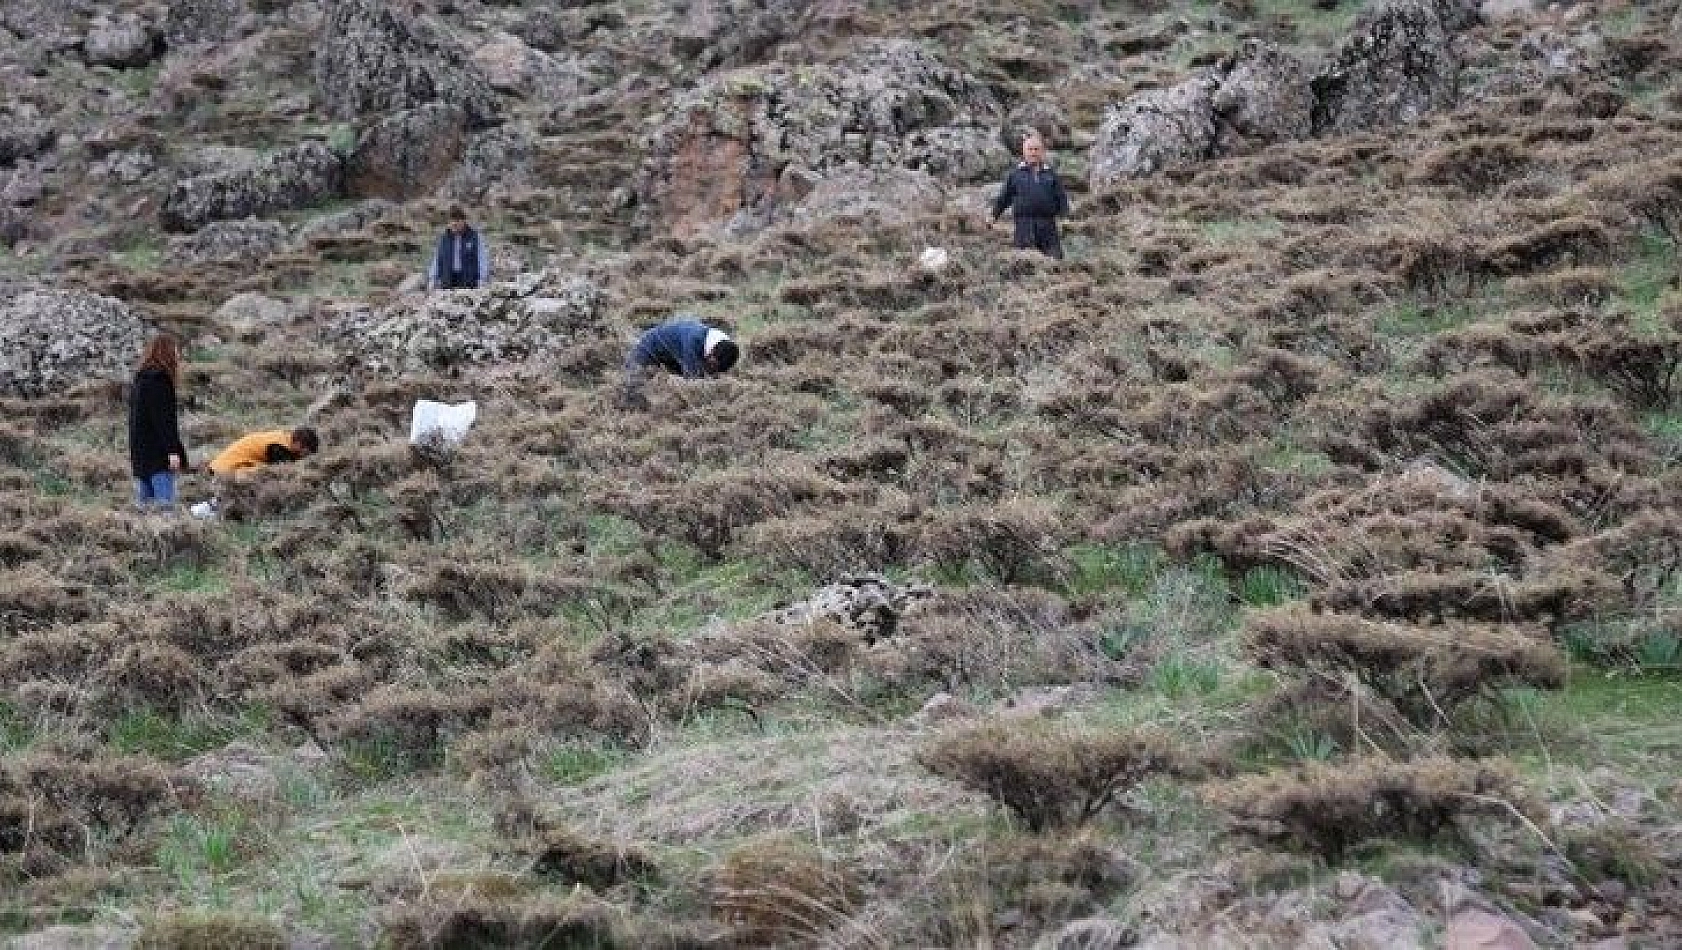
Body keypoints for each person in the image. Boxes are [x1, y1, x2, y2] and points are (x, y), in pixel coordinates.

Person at [621, 318, 740, 409]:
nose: (713, 368)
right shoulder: (694, 341)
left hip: (673, 356)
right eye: (713, 364)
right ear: (711, 352)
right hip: (649, 347)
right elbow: (692, 381)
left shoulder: (724, 346)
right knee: (632, 387)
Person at [127, 334, 188, 509]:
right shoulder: (160, 381)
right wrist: (172, 451)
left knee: (145, 507)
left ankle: (143, 534)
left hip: (140, 451)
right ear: (167, 352)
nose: (178, 355)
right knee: (164, 507)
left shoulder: (141, 380)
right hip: (158, 454)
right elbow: (164, 420)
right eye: (175, 350)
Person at [989, 133, 1070, 260]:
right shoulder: (1015, 175)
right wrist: (993, 216)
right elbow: (1003, 198)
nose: (1033, 153)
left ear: (1042, 151)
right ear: (1024, 152)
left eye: (1036, 149)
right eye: (1030, 149)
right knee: (1024, 264)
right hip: (1024, 226)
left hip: (1048, 226)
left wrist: (1065, 217)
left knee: (1054, 262)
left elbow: (1061, 197)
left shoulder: (1051, 174)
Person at [207, 427, 320, 477]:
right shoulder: (279, 448)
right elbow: (284, 472)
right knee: (265, 475)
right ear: (298, 444)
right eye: (306, 453)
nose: (305, 457)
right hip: (223, 472)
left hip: (220, 466)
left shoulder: (283, 438)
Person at [426, 207, 490, 290]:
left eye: (457, 221)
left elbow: (482, 259)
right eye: (452, 221)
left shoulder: (475, 237)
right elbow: (437, 259)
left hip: (469, 283)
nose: (454, 224)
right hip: (448, 282)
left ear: (464, 221)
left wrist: (482, 279)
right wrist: (432, 278)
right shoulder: (444, 238)